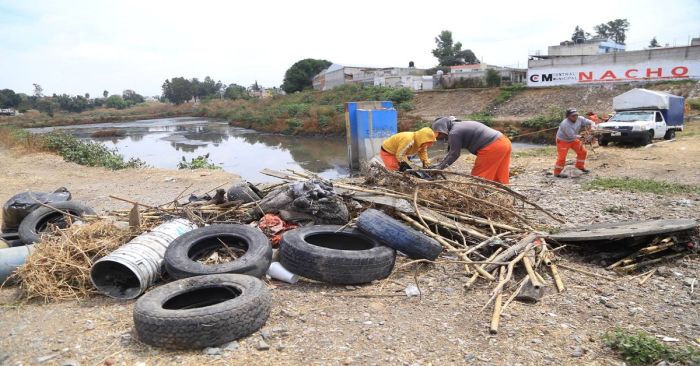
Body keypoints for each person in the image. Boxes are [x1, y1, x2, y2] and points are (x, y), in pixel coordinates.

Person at [432, 116, 512, 184]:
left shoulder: (454, 133)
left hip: (493, 147)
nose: (440, 137)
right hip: (504, 142)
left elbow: (454, 154)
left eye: (440, 133)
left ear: (444, 129)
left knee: (478, 178)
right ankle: (502, 193)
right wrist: (441, 164)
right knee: (500, 174)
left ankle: (481, 196)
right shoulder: (460, 126)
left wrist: (439, 168)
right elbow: (451, 150)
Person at [553, 108, 594, 176]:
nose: (575, 117)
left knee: (583, 152)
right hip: (563, 141)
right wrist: (584, 137)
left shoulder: (580, 119)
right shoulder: (565, 124)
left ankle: (580, 167)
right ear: (568, 116)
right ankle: (557, 172)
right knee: (562, 157)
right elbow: (572, 135)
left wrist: (593, 127)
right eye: (573, 115)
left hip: (573, 139)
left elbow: (591, 122)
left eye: (576, 115)